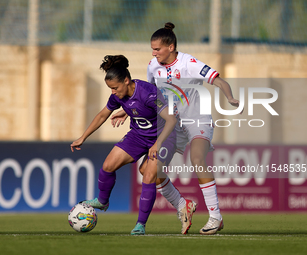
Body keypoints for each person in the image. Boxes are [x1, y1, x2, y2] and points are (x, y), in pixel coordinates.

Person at [112, 22, 241, 235]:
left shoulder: (189, 63)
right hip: (172, 124)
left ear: (170, 47)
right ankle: (183, 205)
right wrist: (127, 111)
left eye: (157, 49)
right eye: (152, 49)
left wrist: (229, 96)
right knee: (148, 171)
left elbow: (218, 81)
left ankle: (215, 217)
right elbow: (149, 94)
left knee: (197, 158)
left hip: (197, 119)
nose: (153, 53)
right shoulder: (153, 66)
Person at [70, 55, 177, 235]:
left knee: (148, 175)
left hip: (164, 136)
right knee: (108, 165)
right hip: (138, 136)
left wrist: (158, 144)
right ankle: (103, 201)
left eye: (115, 88)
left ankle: (140, 225)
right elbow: (103, 114)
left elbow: (171, 120)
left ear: (126, 81)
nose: (113, 92)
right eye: (110, 88)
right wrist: (83, 137)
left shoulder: (148, 92)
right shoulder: (118, 95)